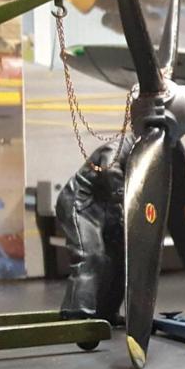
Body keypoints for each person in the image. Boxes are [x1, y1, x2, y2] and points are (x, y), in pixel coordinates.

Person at [57, 135, 135, 325]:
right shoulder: (119, 147)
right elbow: (110, 170)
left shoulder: (146, 153)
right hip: (81, 203)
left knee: (121, 260)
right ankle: (77, 313)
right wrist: (128, 199)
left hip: (108, 207)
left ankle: (107, 311)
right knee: (91, 256)